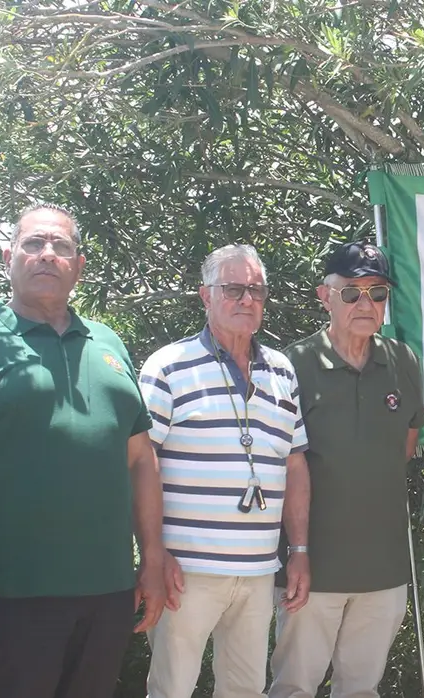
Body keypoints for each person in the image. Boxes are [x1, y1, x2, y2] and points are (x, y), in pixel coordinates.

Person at [0, 203, 165, 698]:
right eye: (33, 243)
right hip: (8, 599)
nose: (47, 254)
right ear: (9, 258)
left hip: (107, 595)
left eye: (60, 246)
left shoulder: (109, 345)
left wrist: (152, 559)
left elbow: (140, 460)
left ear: (78, 266)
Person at [137, 244, 311, 698]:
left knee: (246, 691)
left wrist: (299, 549)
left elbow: (295, 465)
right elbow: (139, 463)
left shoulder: (282, 371)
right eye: (233, 289)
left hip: (258, 570)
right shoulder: (167, 366)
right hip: (185, 570)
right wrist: (154, 554)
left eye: (256, 290)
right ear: (206, 295)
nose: (246, 299)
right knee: (171, 690)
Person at [269, 240, 424, 698]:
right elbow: (278, 465)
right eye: (351, 292)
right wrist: (297, 550)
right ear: (325, 296)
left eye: (377, 293)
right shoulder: (290, 367)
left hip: (383, 569)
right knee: (294, 688)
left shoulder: (403, 362)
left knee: (361, 690)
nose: (365, 303)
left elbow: (403, 447)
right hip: (311, 568)